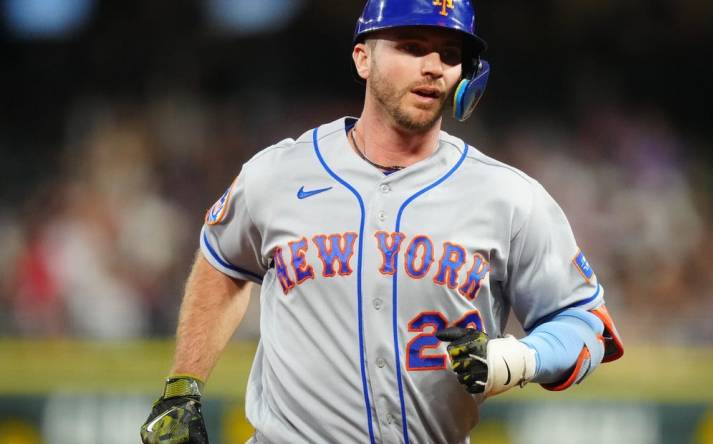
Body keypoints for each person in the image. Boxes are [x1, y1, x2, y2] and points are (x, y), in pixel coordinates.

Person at [140, 0, 624, 442]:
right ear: (362, 59)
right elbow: (222, 263)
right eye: (412, 47)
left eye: (449, 54)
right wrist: (184, 385)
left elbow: (587, 325)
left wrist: (514, 360)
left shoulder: (509, 197)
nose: (433, 67)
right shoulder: (277, 174)